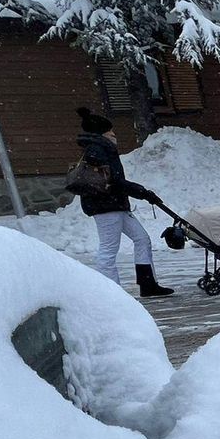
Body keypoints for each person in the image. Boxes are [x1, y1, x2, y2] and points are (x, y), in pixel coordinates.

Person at [73, 107, 173, 297]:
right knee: (108, 249)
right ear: (102, 133)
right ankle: (112, 294)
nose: (114, 134)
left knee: (142, 239)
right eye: (111, 131)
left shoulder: (102, 149)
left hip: (115, 204)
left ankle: (148, 284)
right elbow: (113, 181)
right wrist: (142, 192)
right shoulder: (97, 151)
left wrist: (140, 192)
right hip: (105, 206)